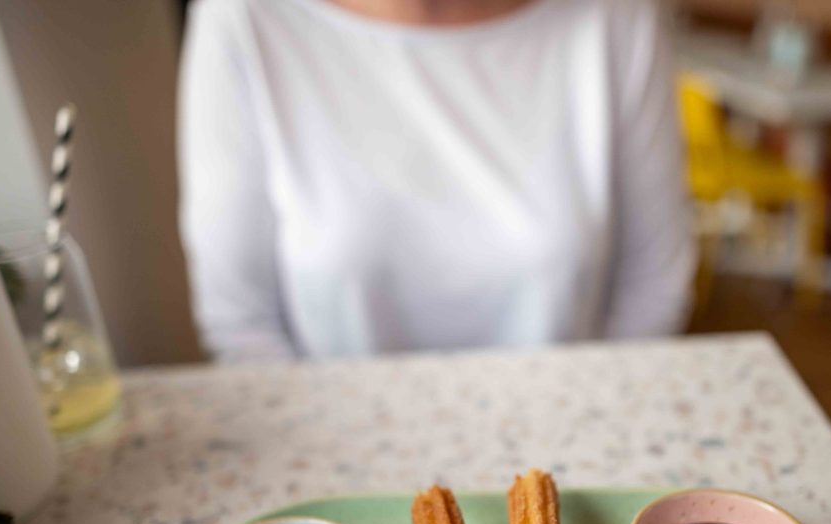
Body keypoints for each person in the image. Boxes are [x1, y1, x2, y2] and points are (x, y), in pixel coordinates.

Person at [179, 0, 693, 361]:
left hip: (573, 448)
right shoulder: (241, 22)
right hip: (331, 456)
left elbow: (654, 285)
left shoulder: (616, 19)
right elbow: (241, 324)